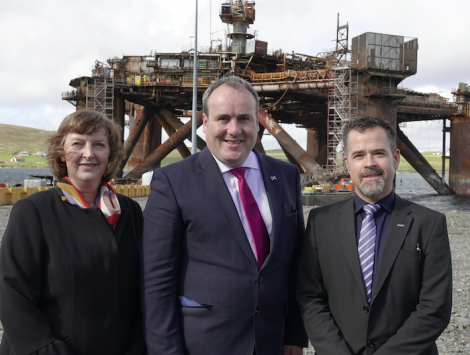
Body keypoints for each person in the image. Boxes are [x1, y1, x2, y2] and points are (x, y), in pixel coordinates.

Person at [141, 75, 308, 355]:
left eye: (244, 118)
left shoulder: (286, 175)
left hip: (271, 341)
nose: (234, 129)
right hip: (203, 343)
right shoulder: (172, 181)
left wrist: (294, 334)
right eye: (223, 119)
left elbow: (294, 265)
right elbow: (156, 282)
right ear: (205, 123)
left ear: (257, 123)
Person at [297, 116, 452, 355]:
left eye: (379, 153)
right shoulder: (320, 222)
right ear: (347, 164)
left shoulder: (429, 224)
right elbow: (310, 298)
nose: (369, 163)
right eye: (359, 155)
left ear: (396, 159)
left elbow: (435, 308)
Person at [0, 110, 146, 355]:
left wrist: (138, 344)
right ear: (61, 153)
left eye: (99, 145)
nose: (88, 154)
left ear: (110, 154)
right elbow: (11, 293)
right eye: (77, 143)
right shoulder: (33, 211)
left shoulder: (129, 212)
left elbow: (141, 290)